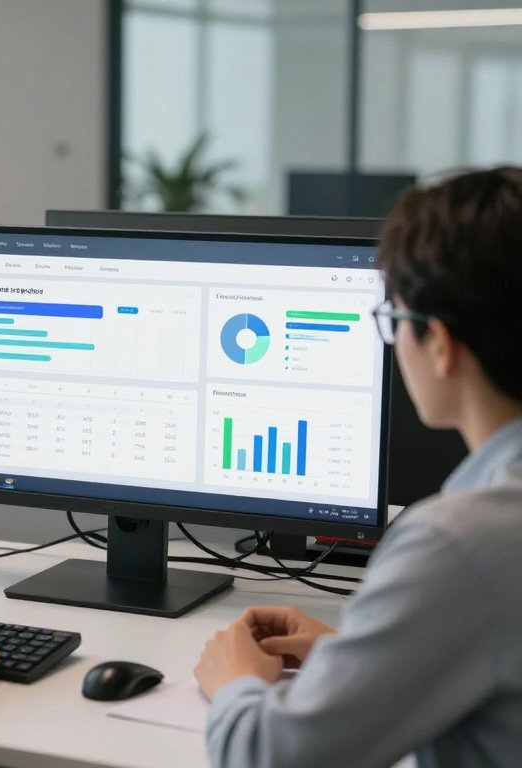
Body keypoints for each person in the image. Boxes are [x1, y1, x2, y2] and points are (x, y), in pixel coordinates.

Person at [194, 166, 522, 767]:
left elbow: (271, 757)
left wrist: (234, 680)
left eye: (393, 321)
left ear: (442, 345)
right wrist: (363, 656)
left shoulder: (460, 544)